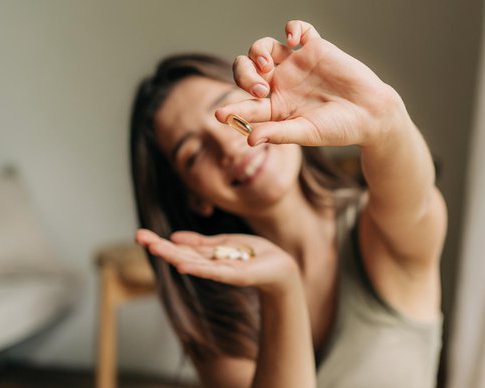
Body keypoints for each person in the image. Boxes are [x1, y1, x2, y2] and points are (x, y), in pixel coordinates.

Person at [131, 20, 447, 388]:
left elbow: (418, 200)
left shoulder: (377, 230)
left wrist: (383, 115)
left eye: (228, 110)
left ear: (266, 96)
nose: (227, 145)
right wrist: (282, 287)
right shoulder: (215, 303)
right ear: (194, 197)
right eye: (193, 153)